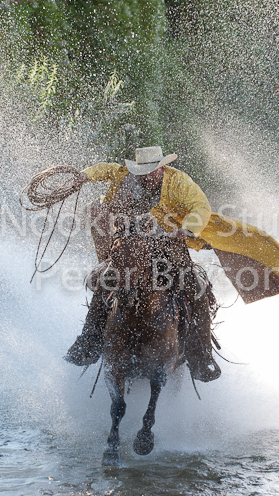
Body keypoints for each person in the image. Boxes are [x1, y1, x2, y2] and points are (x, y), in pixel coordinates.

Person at [64, 146, 222, 382]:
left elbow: (200, 205)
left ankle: (201, 355)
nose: (147, 176)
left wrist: (187, 229)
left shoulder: (180, 182)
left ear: (162, 168)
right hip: (129, 246)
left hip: (167, 246)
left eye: (152, 171)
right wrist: (85, 176)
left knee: (195, 286)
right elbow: (106, 169)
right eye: (143, 171)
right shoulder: (126, 176)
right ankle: (89, 340)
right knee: (105, 281)